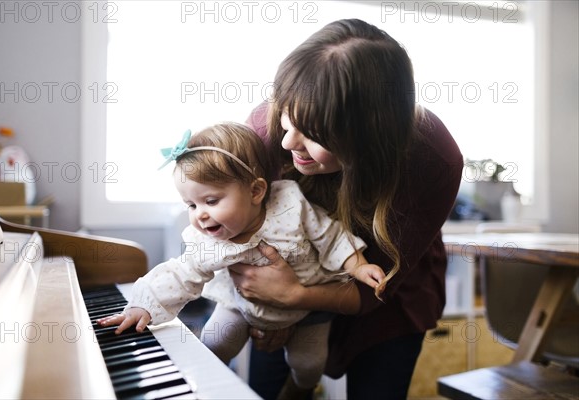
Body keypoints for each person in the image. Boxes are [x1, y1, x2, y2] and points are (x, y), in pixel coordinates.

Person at [228, 19, 464, 399]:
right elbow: (233, 234)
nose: (290, 141)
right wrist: (275, 303)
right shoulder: (266, 133)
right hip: (279, 279)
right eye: (288, 117)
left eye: (315, 133)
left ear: (371, 136)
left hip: (391, 303)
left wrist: (297, 296)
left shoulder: (433, 160)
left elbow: (377, 289)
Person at [97, 123, 386, 399]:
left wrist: (358, 265)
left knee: (309, 365)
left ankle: (302, 389)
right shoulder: (209, 242)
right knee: (214, 342)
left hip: (310, 304)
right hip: (241, 303)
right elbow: (180, 273)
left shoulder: (290, 204)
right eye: (191, 205)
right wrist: (143, 304)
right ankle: (203, 387)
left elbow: (330, 236)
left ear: (256, 191)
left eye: (211, 201)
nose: (200, 214)